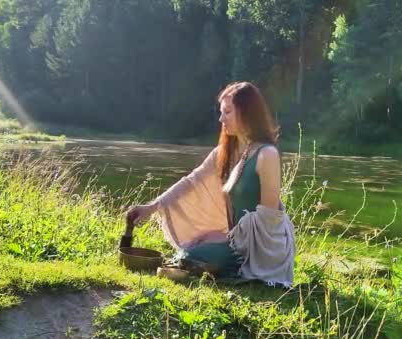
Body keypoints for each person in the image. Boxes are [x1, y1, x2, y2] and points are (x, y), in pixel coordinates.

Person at [126, 81, 295, 287]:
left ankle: (236, 266)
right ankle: (219, 259)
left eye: (227, 112)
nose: (221, 118)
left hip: (261, 249)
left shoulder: (266, 154)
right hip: (237, 242)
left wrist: (232, 241)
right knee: (189, 254)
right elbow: (192, 181)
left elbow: (270, 219)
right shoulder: (225, 152)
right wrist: (152, 207)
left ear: (246, 113)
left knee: (190, 257)